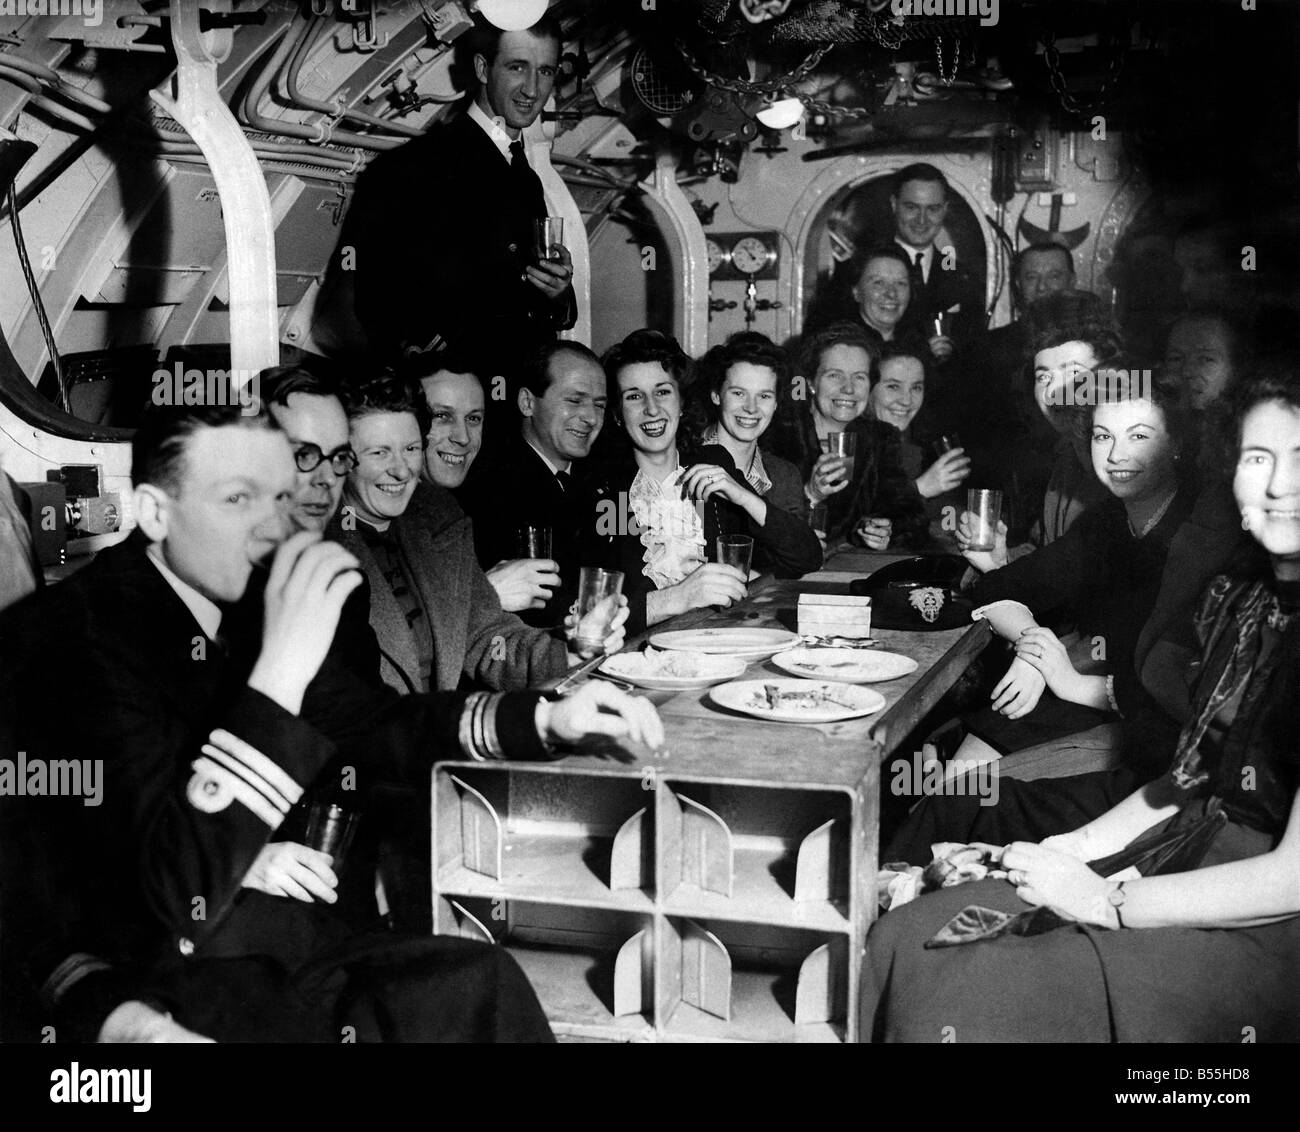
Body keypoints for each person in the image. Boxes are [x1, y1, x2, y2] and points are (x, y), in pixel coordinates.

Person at [0, 395, 662, 1043]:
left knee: (477, 979)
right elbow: (154, 884)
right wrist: (277, 682)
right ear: (152, 511)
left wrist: (547, 720)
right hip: (143, 970)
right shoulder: (68, 640)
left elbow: (375, 721)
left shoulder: (244, 597)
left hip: (265, 935)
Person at [864, 359, 1300, 1043]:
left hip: (1265, 934)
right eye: (1257, 457)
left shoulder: (1207, 558)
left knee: (964, 977)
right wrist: (1069, 850)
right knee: (905, 937)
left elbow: (1292, 880)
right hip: (1179, 848)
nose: (1278, 485)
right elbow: (1184, 784)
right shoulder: (1249, 604)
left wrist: (1106, 897)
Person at [946, 365, 1192, 784]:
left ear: (1175, 444)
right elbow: (1003, 587)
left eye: (1138, 435)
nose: (1116, 455)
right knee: (946, 780)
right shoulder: (1108, 523)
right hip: (1080, 694)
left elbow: (1192, 687)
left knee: (962, 795)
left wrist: (1068, 680)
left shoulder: (1198, 531)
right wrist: (1034, 646)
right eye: (1102, 436)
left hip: (1155, 739)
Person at [330, 370, 623, 695]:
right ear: (342, 457)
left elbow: (489, 640)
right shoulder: (319, 548)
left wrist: (570, 649)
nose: (401, 470)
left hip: (442, 728)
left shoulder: (435, 515)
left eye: (411, 449)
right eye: (380, 452)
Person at [346, 13, 575, 388]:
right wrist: (436, 364)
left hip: (520, 395)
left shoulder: (526, 176)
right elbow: (374, 299)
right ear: (483, 69)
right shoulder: (417, 165)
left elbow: (523, 300)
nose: (533, 89)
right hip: (459, 397)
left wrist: (558, 292)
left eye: (546, 72)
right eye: (518, 67)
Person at [591, 329, 757, 635]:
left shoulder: (711, 466)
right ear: (616, 414)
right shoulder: (606, 493)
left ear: (681, 402)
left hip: (714, 637)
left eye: (663, 391)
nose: (651, 408)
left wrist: (745, 496)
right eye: (634, 396)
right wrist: (678, 598)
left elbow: (803, 557)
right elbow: (591, 613)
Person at [459, 342, 609, 628]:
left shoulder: (603, 481)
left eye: (599, 405)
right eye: (574, 401)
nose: (591, 417)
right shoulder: (488, 490)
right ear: (528, 402)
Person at [974, 289, 1119, 556]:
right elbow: (1046, 552)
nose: (1054, 391)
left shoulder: (1123, 464)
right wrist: (1001, 557)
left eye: (1074, 373)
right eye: (1044, 377)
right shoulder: (1067, 454)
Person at [763, 322, 927, 551]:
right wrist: (810, 494)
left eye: (859, 377)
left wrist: (883, 528)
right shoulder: (778, 433)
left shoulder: (878, 438)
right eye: (834, 376)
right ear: (811, 382)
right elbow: (757, 522)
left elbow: (910, 514)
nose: (848, 389)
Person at [684, 331, 823, 571]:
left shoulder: (784, 475)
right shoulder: (684, 462)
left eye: (764, 396)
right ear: (716, 395)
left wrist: (744, 496)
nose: (751, 408)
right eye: (738, 393)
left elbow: (805, 558)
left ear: (777, 403)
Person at [866, 345, 970, 532]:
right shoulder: (848, 443)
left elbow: (941, 513)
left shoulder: (912, 445)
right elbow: (856, 521)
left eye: (916, 388)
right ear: (868, 387)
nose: (906, 400)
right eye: (893, 386)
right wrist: (920, 488)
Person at [885, 163, 984, 354]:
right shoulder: (861, 271)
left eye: (933, 209)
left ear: (945, 209)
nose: (922, 220)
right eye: (912, 207)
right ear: (893, 205)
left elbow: (974, 355)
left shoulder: (962, 279)